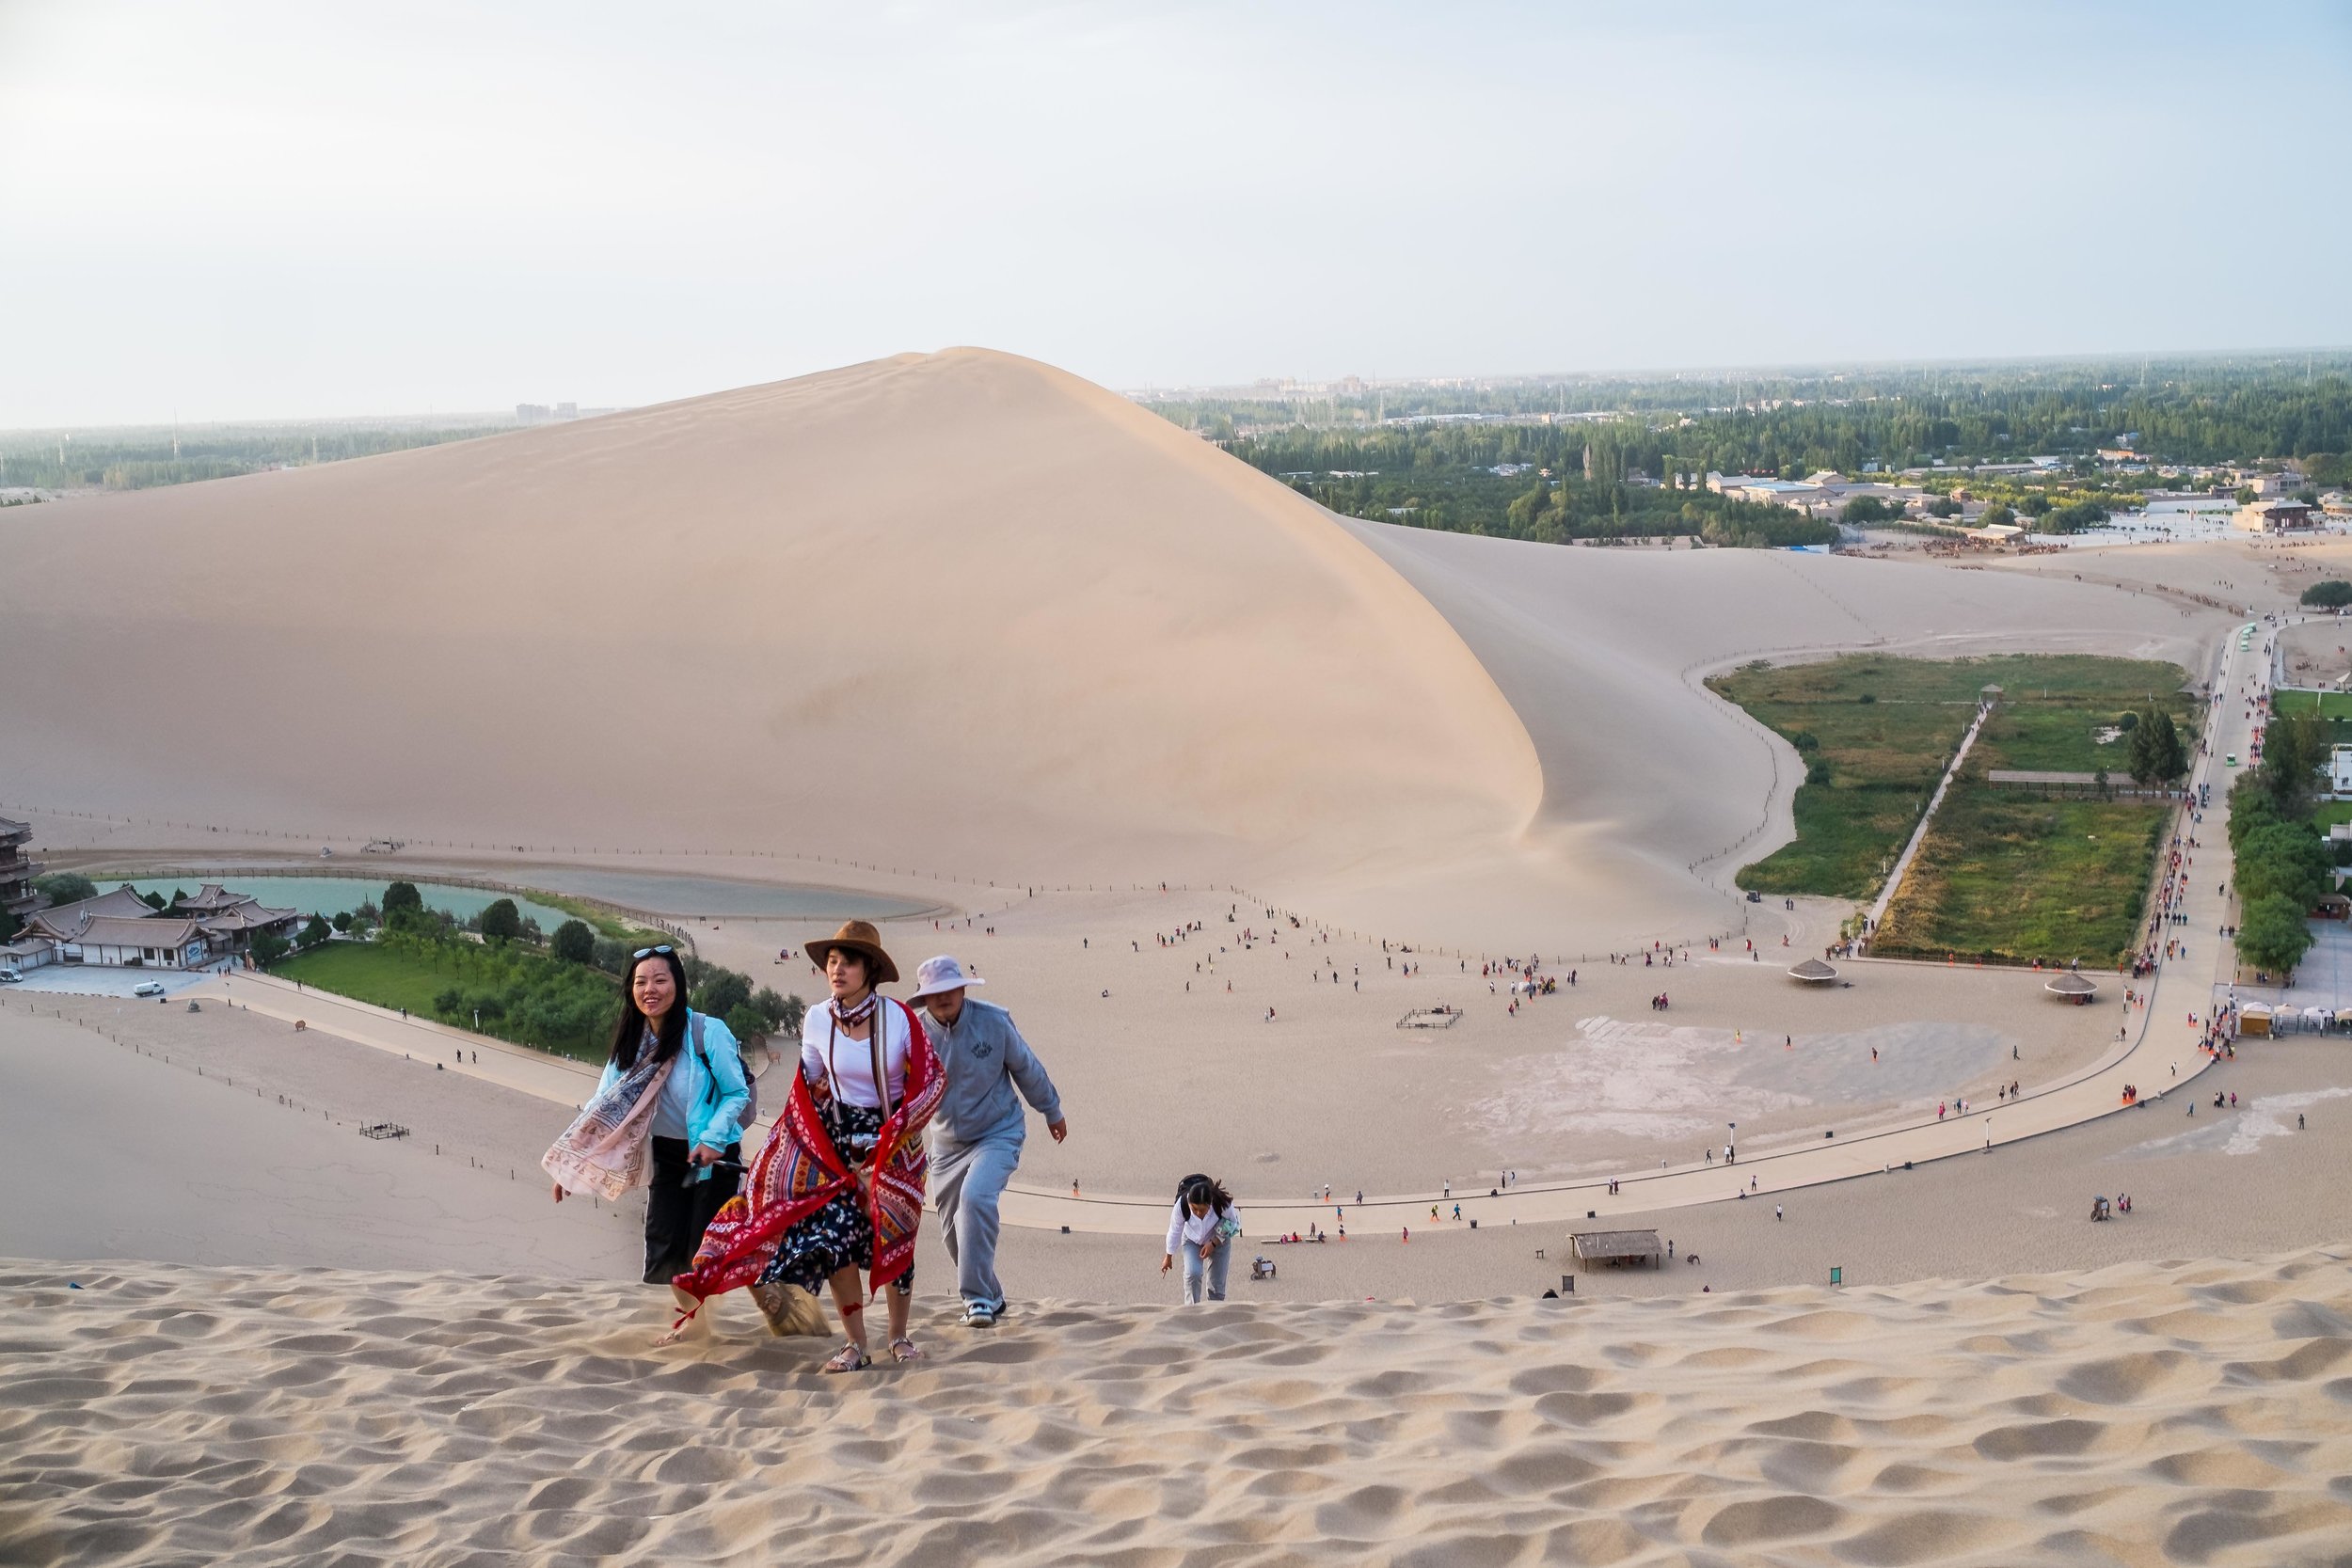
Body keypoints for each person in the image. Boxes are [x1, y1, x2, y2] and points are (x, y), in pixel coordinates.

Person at [671, 921, 944, 1372]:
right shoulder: (817, 1018)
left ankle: (898, 1336)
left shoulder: (900, 1018)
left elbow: (931, 1081)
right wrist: (799, 1147)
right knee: (832, 1240)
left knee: (894, 1240)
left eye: (847, 961)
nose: (836, 970)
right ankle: (855, 1345)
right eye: (831, 962)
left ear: (869, 969)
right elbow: (812, 1083)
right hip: (837, 1144)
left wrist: (894, 1132)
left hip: (896, 1145)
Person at [544, 944, 750, 1342]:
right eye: (641, 982)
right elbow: (602, 1107)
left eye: (659, 979)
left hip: (713, 1157)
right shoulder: (632, 1043)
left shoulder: (707, 1032)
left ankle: (695, 1330)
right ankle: (667, 1326)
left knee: (701, 1247)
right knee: (660, 1242)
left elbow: (735, 1094)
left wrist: (712, 1139)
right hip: (666, 1157)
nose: (649, 989)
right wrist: (573, 1166)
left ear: (678, 985)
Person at [911, 954, 1067, 1328]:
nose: (944, 998)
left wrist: (1051, 1109)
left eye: (950, 989)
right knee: (952, 1235)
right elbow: (902, 1093)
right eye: (935, 993)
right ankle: (993, 1295)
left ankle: (977, 1301)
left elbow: (1026, 1067)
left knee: (976, 1198)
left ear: (963, 989)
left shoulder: (993, 1022)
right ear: (925, 998)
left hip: (998, 1131)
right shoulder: (915, 1034)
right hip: (946, 1145)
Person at [1163, 1175, 1242, 1304]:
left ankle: (1215, 1311)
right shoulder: (1181, 1206)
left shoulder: (1222, 1203)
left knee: (1216, 1285)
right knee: (1192, 1273)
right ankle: (1192, 1311)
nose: (1198, 1213)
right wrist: (1168, 1257)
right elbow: (1174, 1231)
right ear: (1189, 1203)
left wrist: (1214, 1243)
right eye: (1194, 1209)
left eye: (1202, 1210)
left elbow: (1234, 1223)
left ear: (1209, 1203)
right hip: (1191, 1240)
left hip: (1219, 1239)